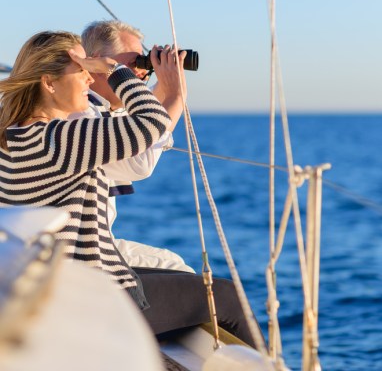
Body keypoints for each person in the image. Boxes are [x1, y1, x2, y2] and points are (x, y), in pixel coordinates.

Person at [0, 31, 260, 348]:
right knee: (226, 297)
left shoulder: (13, 136)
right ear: (49, 83)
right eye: (82, 69)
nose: (89, 78)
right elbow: (152, 123)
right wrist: (115, 70)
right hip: (84, 301)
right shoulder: (63, 137)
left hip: (53, 288)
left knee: (183, 278)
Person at [71, 19, 193, 272]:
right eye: (130, 64)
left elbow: (144, 120)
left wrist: (166, 80)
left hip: (95, 242)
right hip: (79, 251)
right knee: (183, 275)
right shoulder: (80, 115)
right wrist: (175, 95)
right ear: (96, 63)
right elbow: (140, 164)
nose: (141, 72)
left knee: (177, 265)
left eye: (143, 64)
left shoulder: (106, 112)